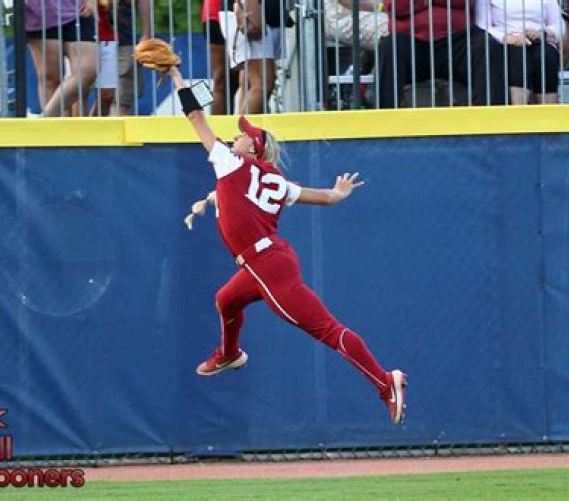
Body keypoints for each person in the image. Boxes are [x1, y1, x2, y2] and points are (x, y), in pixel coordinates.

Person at [167, 65, 407, 425]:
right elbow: (323, 198)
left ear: (254, 148)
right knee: (226, 300)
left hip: (266, 266)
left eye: (244, 136)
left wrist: (175, 75)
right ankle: (230, 353)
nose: (237, 137)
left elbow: (196, 117)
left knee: (327, 330)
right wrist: (338, 193)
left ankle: (385, 381)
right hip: (267, 260)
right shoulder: (275, 179)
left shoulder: (230, 162)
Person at [377, 0, 507, 108]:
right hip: (411, 42)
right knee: (389, 48)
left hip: (457, 41)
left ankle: (493, 119)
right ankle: (385, 120)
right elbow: (397, 6)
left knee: (486, 46)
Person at [475, 0, 565, 104]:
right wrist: (506, 38)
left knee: (546, 56)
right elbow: (482, 25)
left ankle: (548, 110)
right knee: (519, 58)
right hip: (505, 41)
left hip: (538, 39)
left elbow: (559, 25)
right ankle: (518, 109)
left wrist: (542, 34)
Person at [25, 0, 97, 117]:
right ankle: (54, 125)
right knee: (51, 79)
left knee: (88, 72)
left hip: (79, 11)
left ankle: (45, 118)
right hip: (39, 13)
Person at [233, 0, 293, 113]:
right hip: (254, 14)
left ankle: (246, 122)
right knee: (262, 83)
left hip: (264, 15)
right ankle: (244, 124)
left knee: (251, 83)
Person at [203, 0, 241, 114]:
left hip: (241, 12)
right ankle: (218, 125)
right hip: (216, 15)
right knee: (222, 80)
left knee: (239, 81)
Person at [116, 0, 153, 115]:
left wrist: (147, 34)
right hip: (85, 37)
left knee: (124, 99)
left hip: (123, 38)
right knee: (82, 92)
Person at [90, 0, 119, 115]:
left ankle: (93, 124)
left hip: (107, 37)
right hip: (78, 38)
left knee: (108, 94)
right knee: (80, 92)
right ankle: (79, 126)